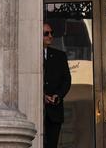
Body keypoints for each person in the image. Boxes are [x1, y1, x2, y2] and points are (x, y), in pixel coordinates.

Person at [43, 20, 72, 148]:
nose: (50, 36)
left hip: (54, 111)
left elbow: (66, 80)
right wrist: (42, 96)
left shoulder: (60, 56)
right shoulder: (29, 55)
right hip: (33, 111)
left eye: (51, 33)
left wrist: (57, 95)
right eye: (46, 33)